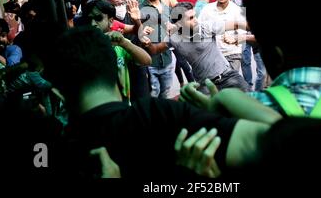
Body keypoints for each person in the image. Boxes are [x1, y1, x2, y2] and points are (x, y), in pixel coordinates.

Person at [44, 26, 281, 178]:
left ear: (58, 94)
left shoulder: (47, 151)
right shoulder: (160, 116)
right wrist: (230, 100)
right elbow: (287, 143)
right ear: (118, 75)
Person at [142, 2, 250, 92]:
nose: (196, 20)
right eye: (191, 18)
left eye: (195, 16)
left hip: (227, 77)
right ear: (179, 23)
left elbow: (236, 24)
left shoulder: (205, 27)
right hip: (204, 86)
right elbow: (155, 50)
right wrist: (148, 43)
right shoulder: (174, 38)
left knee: (253, 103)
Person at [82, 0, 151, 102]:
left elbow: (147, 60)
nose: (93, 23)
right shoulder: (81, 46)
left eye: (98, 18)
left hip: (121, 106)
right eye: (89, 19)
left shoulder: (119, 44)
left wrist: (124, 43)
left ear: (110, 21)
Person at [198, 0, 245, 71]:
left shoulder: (237, 11)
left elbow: (242, 36)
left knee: (230, 83)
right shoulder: (207, 10)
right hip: (212, 56)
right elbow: (198, 31)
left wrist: (234, 39)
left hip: (232, 55)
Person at [232, 0, 267, 91]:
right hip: (243, 35)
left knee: (262, 71)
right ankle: (249, 89)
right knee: (245, 62)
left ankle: (257, 91)